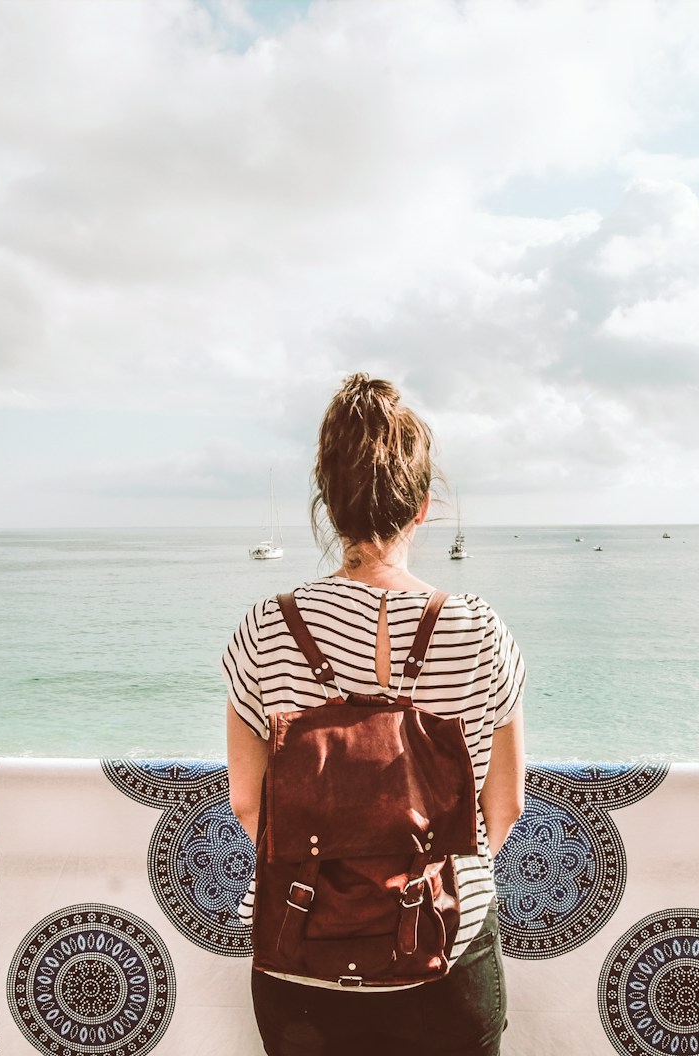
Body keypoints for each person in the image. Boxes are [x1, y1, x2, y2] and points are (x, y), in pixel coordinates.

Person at [223, 372, 527, 1056]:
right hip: (446, 952)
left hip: (303, 956)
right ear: (423, 507)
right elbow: (502, 807)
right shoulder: (480, 629)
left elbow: (250, 805)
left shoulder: (267, 628)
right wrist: (409, 886)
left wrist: (344, 891)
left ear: (328, 505)